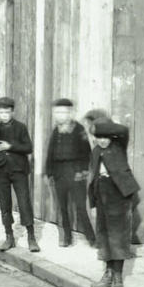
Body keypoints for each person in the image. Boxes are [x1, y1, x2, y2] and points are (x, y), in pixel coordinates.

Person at [87, 117, 140, 287]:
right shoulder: (95, 151)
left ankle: (118, 279)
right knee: (104, 236)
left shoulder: (118, 146)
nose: (102, 140)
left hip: (119, 196)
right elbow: (92, 177)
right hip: (101, 194)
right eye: (98, 136)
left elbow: (123, 130)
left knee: (118, 238)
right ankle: (108, 274)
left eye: (105, 136)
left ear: (111, 136)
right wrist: (93, 203)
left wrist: (101, 126)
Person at [0, 97, 39, 252]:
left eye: (7, 112)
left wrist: (10, 146)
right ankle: (9, 237)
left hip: (18, 170)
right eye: (1, 112)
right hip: (2, 169)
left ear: (12, 112)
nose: (4, 115)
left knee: (24, 202)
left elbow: (28, 147)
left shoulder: (20, 127)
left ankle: (31, 237)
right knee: (4, 204)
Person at [43, 98, 93, 247]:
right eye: (57, 112)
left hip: (75, 173)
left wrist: (82, 171)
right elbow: (50, 153)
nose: (60, 115)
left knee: (80, 207)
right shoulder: (56, 131)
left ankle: (92, 238)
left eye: (63, 112)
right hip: (59, 174)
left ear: (70, 113)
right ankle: (67, 237)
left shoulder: (79, 129)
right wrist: (49, 173)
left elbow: (87, 153)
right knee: (63, 207)